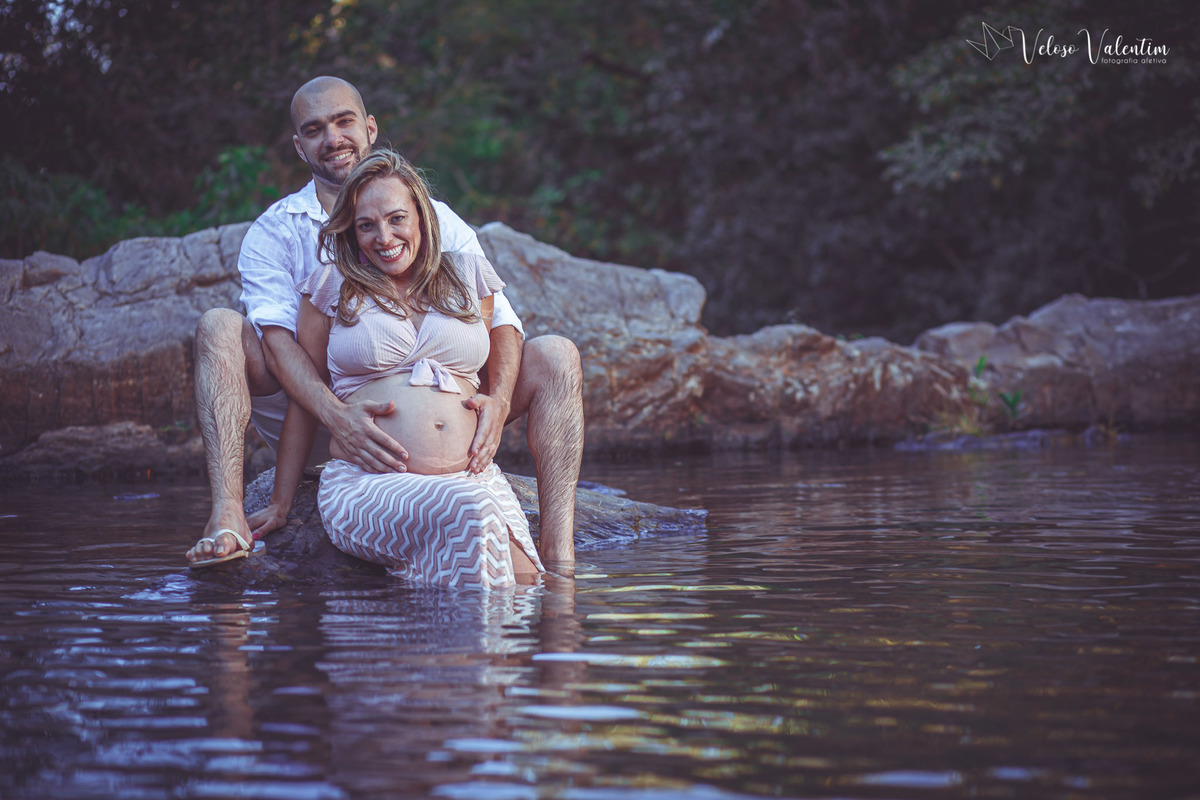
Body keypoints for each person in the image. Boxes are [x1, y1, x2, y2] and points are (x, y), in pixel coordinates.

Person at [185, 76, 582, 572]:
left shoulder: (440, 223)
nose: (332, 138)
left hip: (462, 459)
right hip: (333, 426)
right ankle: (227, 515)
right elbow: (286, 349)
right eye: (314, 129)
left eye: (344, 121)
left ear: (370, 127)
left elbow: (500, 325)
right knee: (220, 325)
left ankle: (559, 554)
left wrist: (498, 405)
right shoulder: (283, 236)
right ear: (298, 145)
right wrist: (335, 421)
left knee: (557, 354)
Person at [284, 150, 541, 588]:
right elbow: (307, 396)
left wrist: (498, 401)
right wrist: (280, 500)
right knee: (470, 518)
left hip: (473, 479)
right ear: (352, 230)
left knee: (526, 584)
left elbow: (502, 342)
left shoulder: (467, 275)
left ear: (422, 215)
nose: (383, 237)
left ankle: (451, 649)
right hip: (368, 485)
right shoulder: (331, 286)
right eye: (366, 225)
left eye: (396, 219)